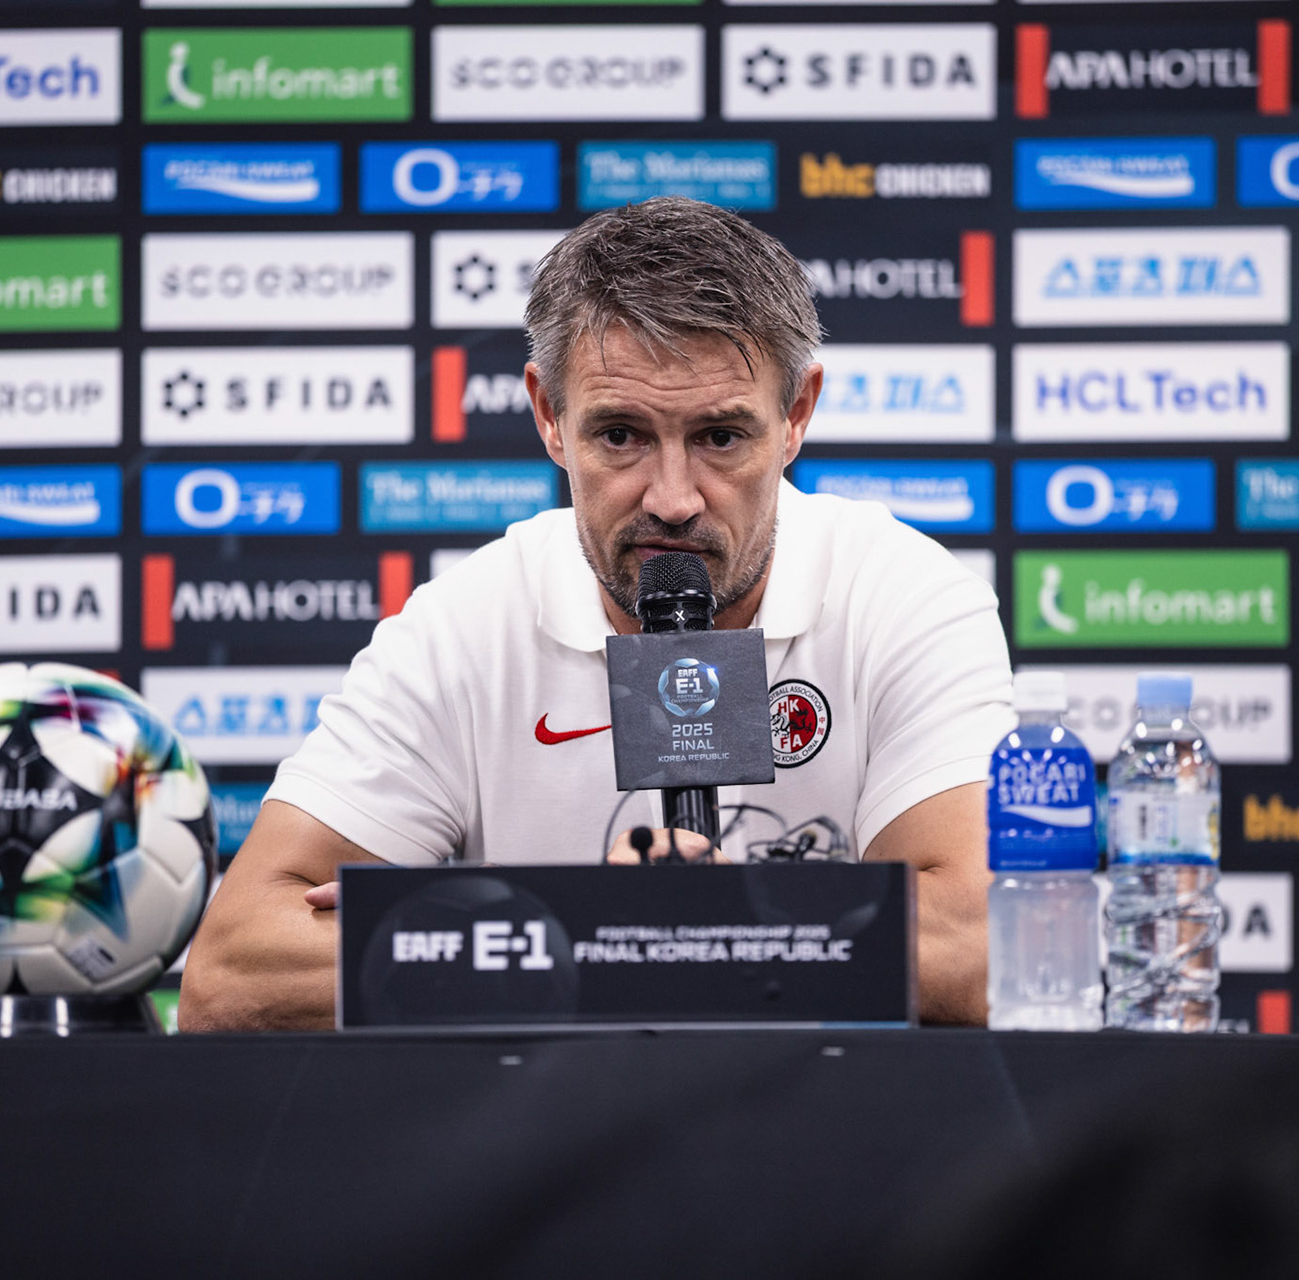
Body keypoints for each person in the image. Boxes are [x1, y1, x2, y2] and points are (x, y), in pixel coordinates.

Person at [179, 197, 1015, 1030]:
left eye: (721, 437)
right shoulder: (465, 625)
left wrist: (563, 938)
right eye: (620, 435)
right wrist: (595, 934)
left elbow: (985, 952)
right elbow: (230, 978)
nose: (673, 498)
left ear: (796, 416)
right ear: (549, 415)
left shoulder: (904, 597)